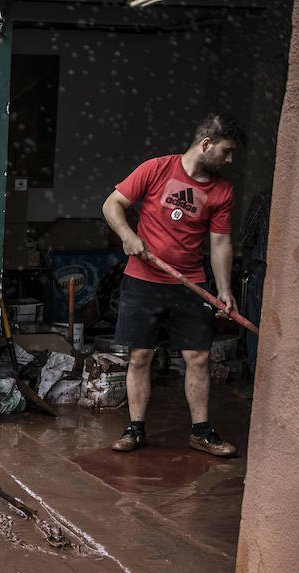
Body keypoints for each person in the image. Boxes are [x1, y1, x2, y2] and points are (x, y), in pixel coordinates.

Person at [102, 113, 244, 456]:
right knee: (140, 356)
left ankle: (200, 431)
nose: (229, 160)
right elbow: (112, 204)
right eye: (226, 152)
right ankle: (135, 430)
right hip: (143, 279)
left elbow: (221, 242)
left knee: (198, 357)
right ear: (206, 144)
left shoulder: (222, 190)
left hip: (189, 283)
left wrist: (223, 289)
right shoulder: (156, 169)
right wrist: (127, 236)